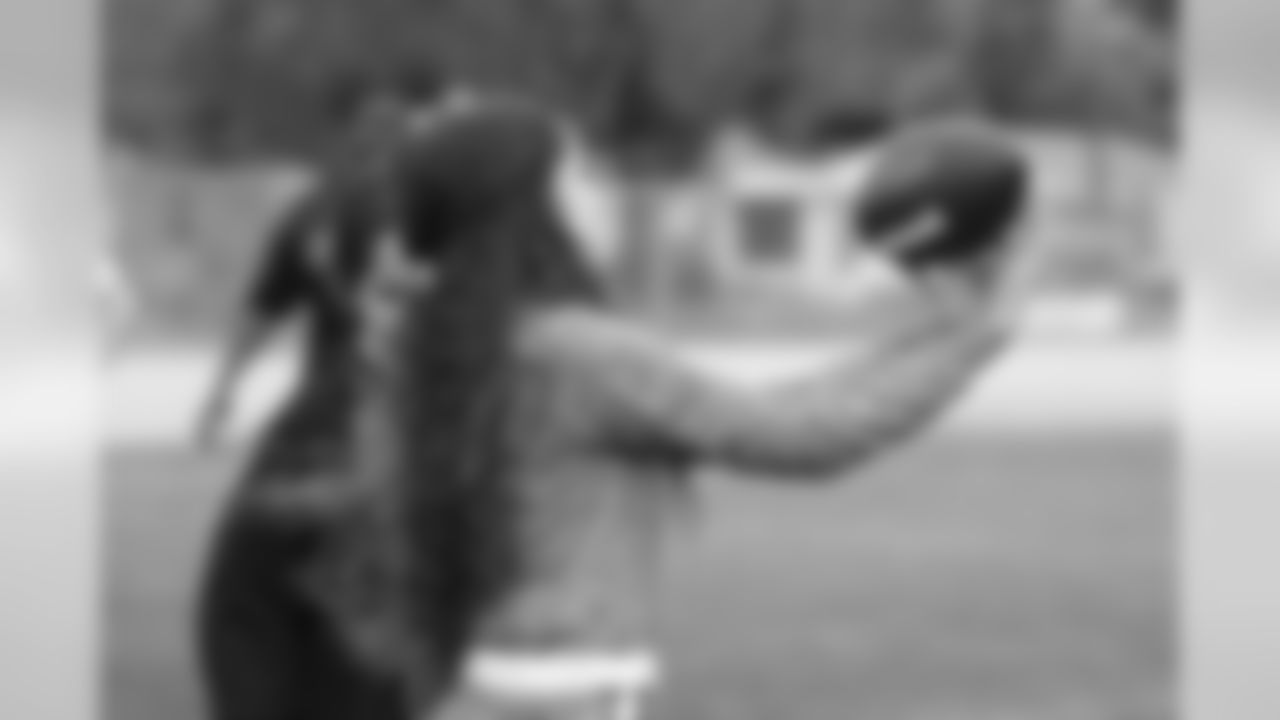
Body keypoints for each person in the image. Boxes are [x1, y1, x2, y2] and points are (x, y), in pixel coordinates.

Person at [312, 97, 1031, 720]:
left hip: (496, 690)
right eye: (578, 175)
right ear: (532, 208)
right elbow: (805, 437)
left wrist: (935, 337)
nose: (598, 191)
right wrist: (978, 338)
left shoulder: (461, 350)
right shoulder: (580, 356)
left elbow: (756, 411)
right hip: (564, 701)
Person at [193, 70, 453, 720]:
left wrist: (222, 390)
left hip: (319, 420)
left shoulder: (310, 210)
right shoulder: (425, 214)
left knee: (284, 590)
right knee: (368, 608)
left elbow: (261, 309)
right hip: (395, 421)